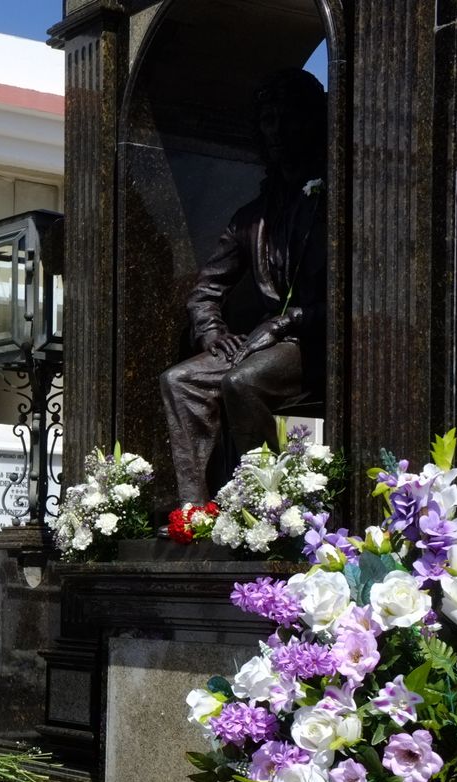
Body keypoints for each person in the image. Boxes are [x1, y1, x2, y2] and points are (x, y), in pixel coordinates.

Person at [159, 68, 328, 505]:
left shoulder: (332, 199)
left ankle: (266, 502)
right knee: (181, 380)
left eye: (286, 117)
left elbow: (351, 297)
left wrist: (283, 323)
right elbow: (205, 290)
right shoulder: (251, 216)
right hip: (262, 343)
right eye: (268, 120)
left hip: (315, 342)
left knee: (242, 381)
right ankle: (194, 513)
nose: (276, 130)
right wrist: (213, 334)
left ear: (311, 120)